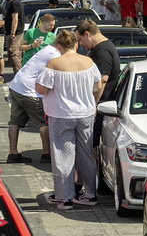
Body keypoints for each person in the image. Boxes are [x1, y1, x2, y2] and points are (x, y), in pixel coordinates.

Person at [36, 29, 103, 209]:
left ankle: (65, 196)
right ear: (77, 44)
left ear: (58, 46)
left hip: (61, 114)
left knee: (63, 156)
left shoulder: (54, 64)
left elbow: (41, 89)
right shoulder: (88, 62)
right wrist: (93, 103)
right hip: (86, 113)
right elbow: (97, 86)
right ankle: (90, 193)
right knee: (86, 154)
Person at [5, 25, 57, 165]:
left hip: (17, 86)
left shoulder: (46, 49)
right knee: (42, 122)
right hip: (29, 90)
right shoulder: (56, 55)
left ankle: (13, 153)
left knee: (15, 121)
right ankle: (46, 154)